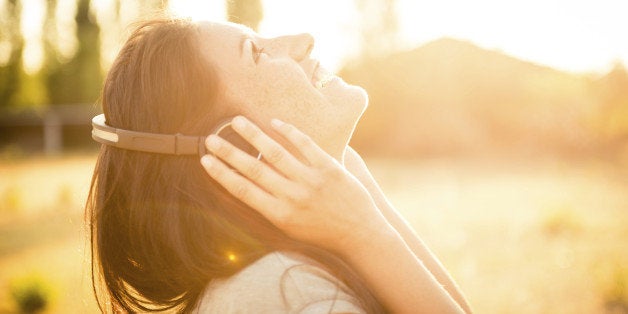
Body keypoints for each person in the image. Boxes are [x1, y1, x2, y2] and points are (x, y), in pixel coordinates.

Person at [87, 17, 472, 313]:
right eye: (257, 51)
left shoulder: (286, 277)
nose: (304, 41)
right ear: (232, 146)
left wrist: (343, 170)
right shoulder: (296, 296)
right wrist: (363, 232)